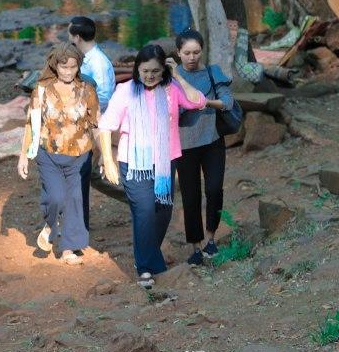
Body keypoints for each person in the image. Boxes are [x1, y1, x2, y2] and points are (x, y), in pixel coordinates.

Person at [97, 43, 207, 288]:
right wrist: (108, 160)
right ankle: (148, 268)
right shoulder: (125, 90)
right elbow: (105, 126)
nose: (149, 76)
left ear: (163, 70)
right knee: (144, 211)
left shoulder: (172, 89)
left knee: (162, 212)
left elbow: (199, 101)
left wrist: (178, 76)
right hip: (133, 163)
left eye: (155, 71)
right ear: (137, 69)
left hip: (165, 162)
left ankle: (148, 255)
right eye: (145, 71)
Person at [16, 44, 100, 265]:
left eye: (73, 67)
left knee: (75, 200)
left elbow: (96, 124)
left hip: (80, 155)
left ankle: (68, 249)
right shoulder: (42, 89)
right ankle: (50, 225)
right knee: (56, 198)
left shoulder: (87, 89)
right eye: (64, 67)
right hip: (48, 154)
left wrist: (103, 155)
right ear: (55, 66)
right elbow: (31, 124)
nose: (69, 72)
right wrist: (23, 156)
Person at [173, 29, 236, 266]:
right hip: (184, 144)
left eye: (196, 52)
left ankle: (211, 238)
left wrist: (205, 102)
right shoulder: (172, 77)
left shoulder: (212, 72)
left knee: (214, 189)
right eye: (187, 53)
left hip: (212, 141)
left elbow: (227, 102)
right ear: (178, 53)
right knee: (190, 196)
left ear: (202, 51)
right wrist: (185, 104)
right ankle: (195, 246)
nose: (192, 57)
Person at [69, 16, 116, 230]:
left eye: (70, 34)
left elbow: (104, 98)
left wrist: (78, 106)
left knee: (85, 175)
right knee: (88, 176)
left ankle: (140, 202)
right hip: (80, 127)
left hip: (93, 127)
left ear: (77, 37)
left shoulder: (98, 62)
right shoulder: (83, 59)